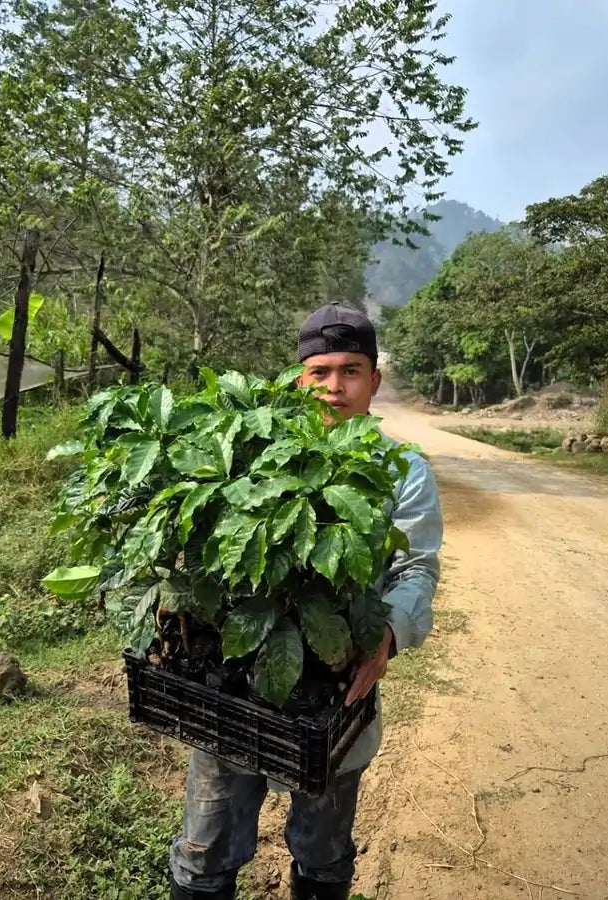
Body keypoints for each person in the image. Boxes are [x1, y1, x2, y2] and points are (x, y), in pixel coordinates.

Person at [169, 302, 444, 900]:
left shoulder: (404, 470)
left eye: (351, 370)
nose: (335, 387)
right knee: (205, 848)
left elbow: (417, 568)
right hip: (236, 684)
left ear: (375, 380)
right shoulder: (251, 453)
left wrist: (388, 635)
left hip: (336, 682)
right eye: (320, 372)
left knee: (323, 855)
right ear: (300, 379)